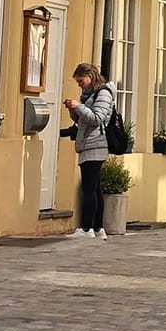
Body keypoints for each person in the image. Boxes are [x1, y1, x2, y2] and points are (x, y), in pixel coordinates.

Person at [60, 63, 117, 238]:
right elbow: (83, 120)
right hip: (90, 143)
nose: (79, 84)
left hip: (95, 144)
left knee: (89, 188)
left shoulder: (103, 93)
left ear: (90, 76)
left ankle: (86, 228)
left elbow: (97, 118)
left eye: (81, 80)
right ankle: (98, 228)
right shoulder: (89, 94)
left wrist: (79, 106)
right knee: (95, 188)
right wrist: (73, 110)